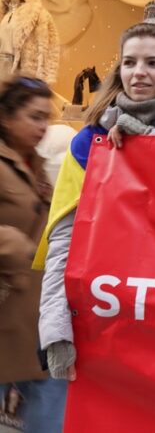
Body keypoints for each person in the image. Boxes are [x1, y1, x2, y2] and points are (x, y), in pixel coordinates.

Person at [35, 23, 155, 389]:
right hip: (108, 318)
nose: (139, 73)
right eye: (130, 63)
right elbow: (64, 241)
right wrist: (55, 328)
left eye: (153, 63)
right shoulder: (88, 143)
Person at [0, 76, 65, 433]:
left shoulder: (37, 165)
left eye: (46, 118)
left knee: (51, 416)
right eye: (34, 117)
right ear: (7, 118)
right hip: (8, 310)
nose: (43, 127)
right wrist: (15, 246)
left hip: (35, 318)